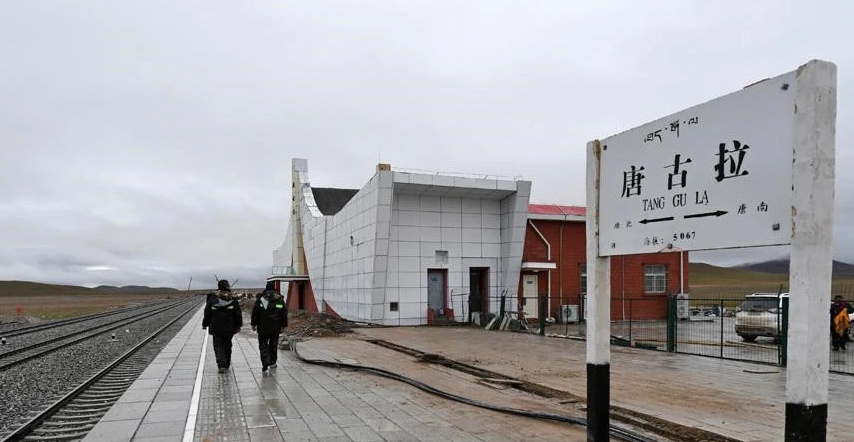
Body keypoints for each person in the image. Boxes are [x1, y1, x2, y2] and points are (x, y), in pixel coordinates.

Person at [202, 279, 242, 373]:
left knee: (218, 345)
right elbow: (237, 313)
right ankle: (227, 363)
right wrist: (239, 325)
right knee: (228, 345)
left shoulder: (213, 299)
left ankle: (221, 365)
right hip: (229, 327)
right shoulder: (232, 298)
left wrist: (205, 324)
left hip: (216, 327)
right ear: (227, 286)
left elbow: (207, 312)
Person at [251, 281, 288, 372]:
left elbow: (255, 312)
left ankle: (265, 362)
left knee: (263, 344)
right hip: (275, 327)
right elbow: (284, 313)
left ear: (266, 289)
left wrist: (253, 324)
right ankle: (272, 363)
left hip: (263, 327)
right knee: (273, 344)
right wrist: (283, 325)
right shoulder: (279, 299)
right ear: (274, 289)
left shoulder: (261, 299)